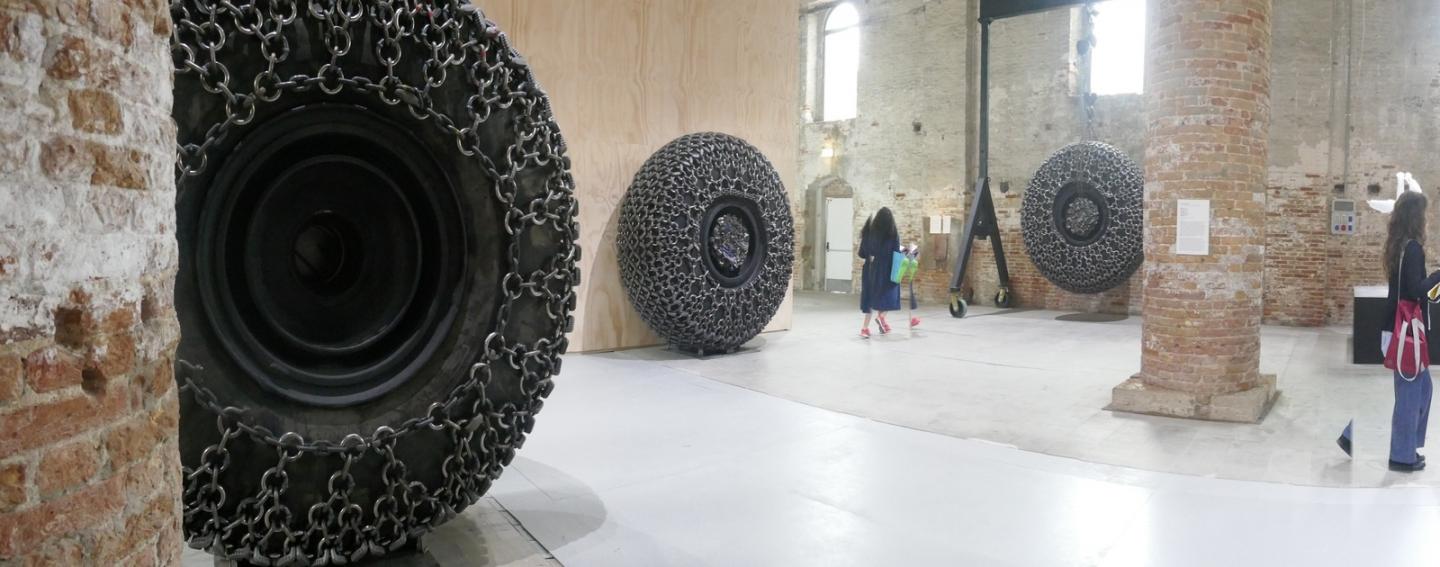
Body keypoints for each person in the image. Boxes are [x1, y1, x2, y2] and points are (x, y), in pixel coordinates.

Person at [1339, 191, 1440, 472]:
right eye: (1424, 213)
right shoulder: (1413, 249)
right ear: (1416, 216)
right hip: (1405, 330)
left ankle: (1356, 436)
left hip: (1395, 327)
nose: (1427, 219)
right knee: (1411, 394)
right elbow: (1416, 290)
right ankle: (1402, 455)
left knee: (1420, 391)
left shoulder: (1400, 246)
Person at [858, 207, 902, 338]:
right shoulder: (893, 234)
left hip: (870, 269)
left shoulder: (869, 233)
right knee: (890, 293)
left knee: (869, 297)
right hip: (886, 269)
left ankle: (865, 328)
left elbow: (861, 253)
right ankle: (882, 317)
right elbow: (896, 253)